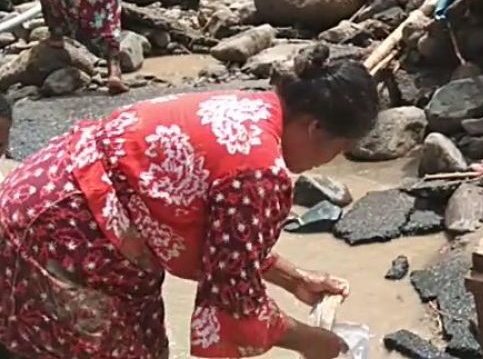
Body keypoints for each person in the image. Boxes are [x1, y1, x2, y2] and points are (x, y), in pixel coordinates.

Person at [0, 45, 380, 359]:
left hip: (36, 197)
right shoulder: (261, 172)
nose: (331, 160)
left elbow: (227, 244)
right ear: (315, 128)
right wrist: (312, 342)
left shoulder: (252, 109)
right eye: (340, 148)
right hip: (66, 238)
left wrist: (295, 280)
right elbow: (234, 306)